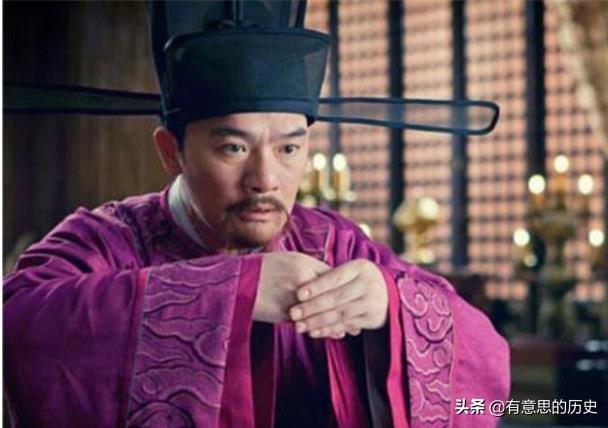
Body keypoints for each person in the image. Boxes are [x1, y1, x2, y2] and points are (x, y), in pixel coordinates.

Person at [4, 1, 509, 427]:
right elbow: (17, 326)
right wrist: (231, 291)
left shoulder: (333, 245)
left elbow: (485, 361)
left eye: (289, 149)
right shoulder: (106, 240)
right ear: (171, 152)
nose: (265, 179)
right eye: (234, 148)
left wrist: (389, 307)